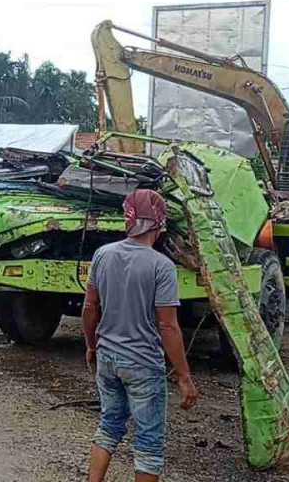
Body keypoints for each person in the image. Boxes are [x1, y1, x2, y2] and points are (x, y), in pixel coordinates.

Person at [82, 189, 198, 482]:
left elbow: (89, 307)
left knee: (109, 425)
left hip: (107, 357)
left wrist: (91, 347)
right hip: (143, 364)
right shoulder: (162, 266)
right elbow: (168, 326)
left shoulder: (102, 254)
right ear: (159, 224)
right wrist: (184, 377)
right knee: (149, 442)